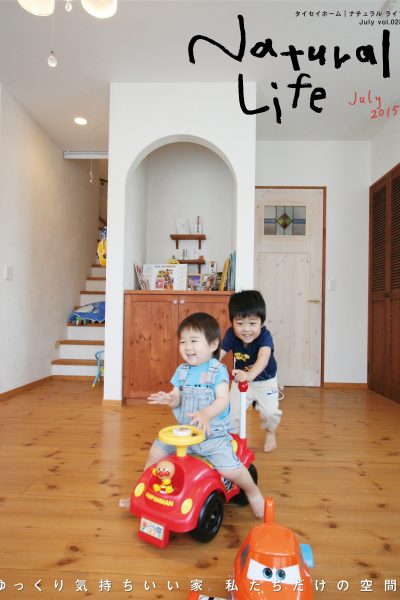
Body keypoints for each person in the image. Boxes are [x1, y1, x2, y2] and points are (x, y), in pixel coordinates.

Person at [145, 312, 265, 519]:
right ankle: (145, 491)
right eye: (183, 341)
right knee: (156, 451)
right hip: (185, 434)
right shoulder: (181, 371)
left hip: (212, 436)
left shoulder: (217, 370)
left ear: (212, 345)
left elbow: (222, 400)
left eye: (194, 341)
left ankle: (253, 492)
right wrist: (170, 399)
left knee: (229, 470)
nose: (187, 347)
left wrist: (206, 413)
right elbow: (177, 397)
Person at [220, 290, 282, 452]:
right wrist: (209, 366)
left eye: (252, 324)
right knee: (232, 413)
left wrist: (250, 375)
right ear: (232, 322)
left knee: (270, 413)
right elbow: (219, 352)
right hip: (241, 379)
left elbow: (263, 358)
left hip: (265, 380)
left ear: (261, 322)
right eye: (240, 323)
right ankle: (233, 440)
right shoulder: (231, 335)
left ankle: (270, 431)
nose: (246, 329)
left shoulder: (265, 336)